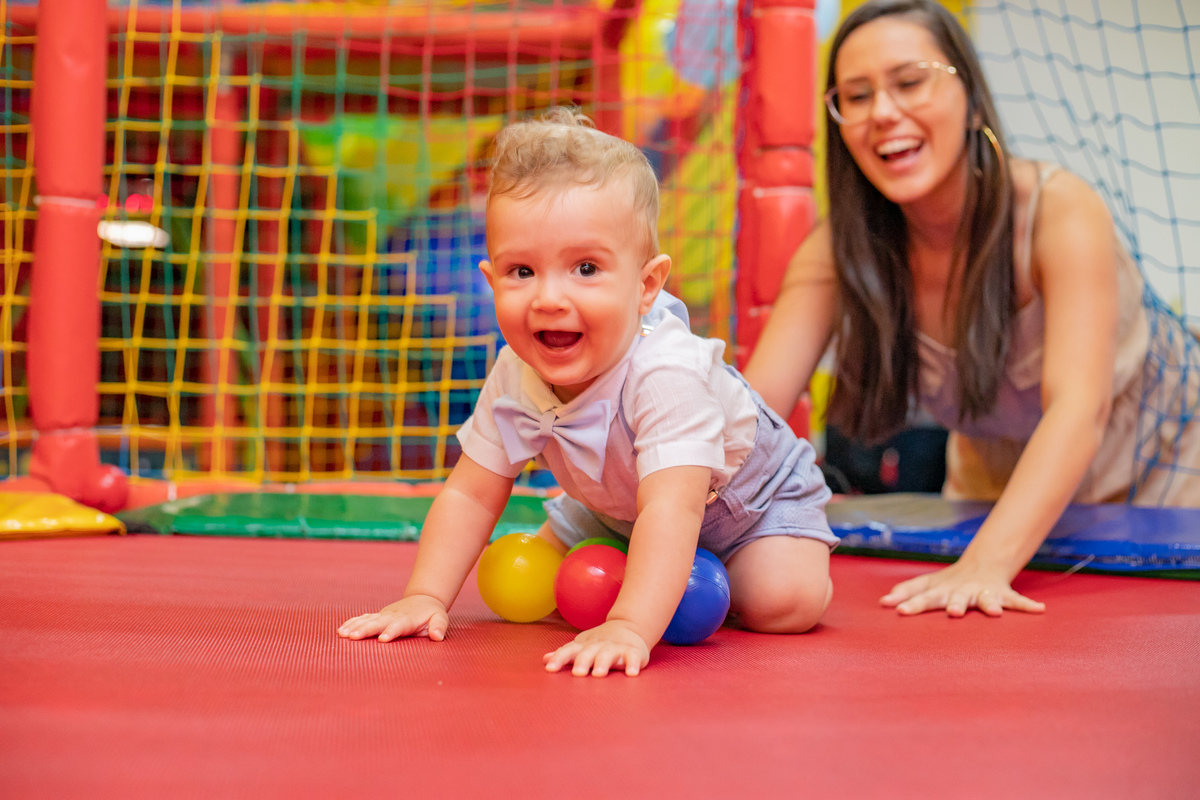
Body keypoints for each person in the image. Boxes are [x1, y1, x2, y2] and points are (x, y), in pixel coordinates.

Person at [338, 108, 836, 676]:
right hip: (618, 505)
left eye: (585, 268)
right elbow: (471, 495)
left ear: (646, 285)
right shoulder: (513, 372)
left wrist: (629, 626)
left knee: (780, 601)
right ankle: (648, 570)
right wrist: (425, 595)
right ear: (490, 278)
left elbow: (671, 507)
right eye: (521, 272)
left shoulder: (665, 374)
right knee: (548, 577)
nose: (549, 298)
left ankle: (678, 576)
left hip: (748, 502)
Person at [743, 0, 1200, 618]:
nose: (884, 112)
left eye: (909, 82)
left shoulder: (1059, 212)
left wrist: (987, 562)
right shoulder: (838, 250)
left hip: (1167, 469)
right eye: (856, 95)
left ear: (972, 97)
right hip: (993, 488)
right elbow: (750, 416)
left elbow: (1078, 409)